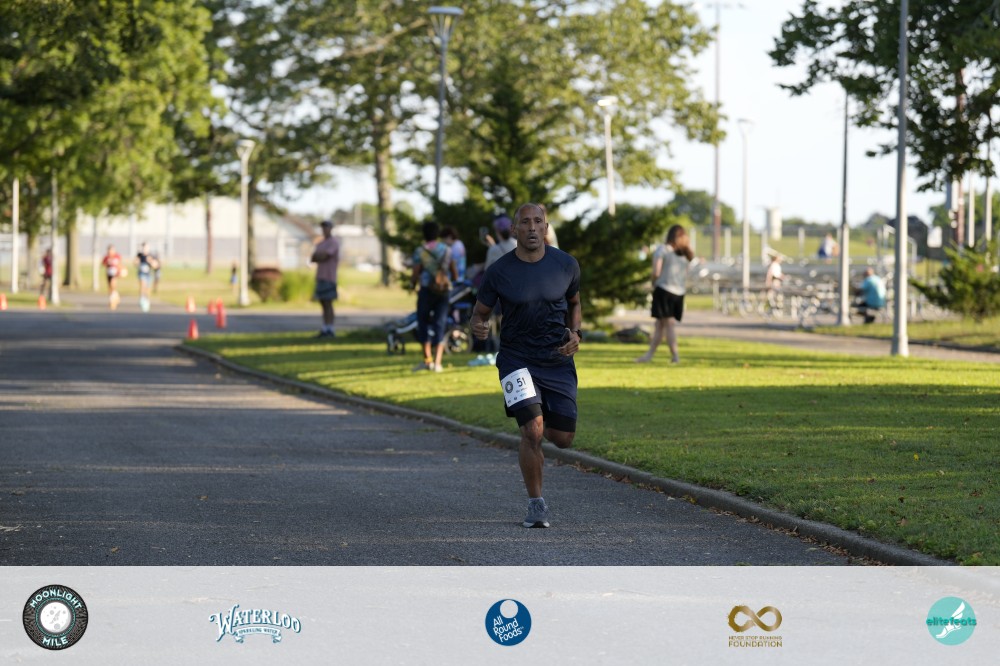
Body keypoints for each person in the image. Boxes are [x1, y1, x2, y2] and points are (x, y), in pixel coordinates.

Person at [470, 203, 582, 529]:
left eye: (538, 222)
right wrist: (478, 327)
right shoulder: (499, 271)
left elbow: (575, 303)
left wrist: (576, 333)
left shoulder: (566, 264)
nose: (532, 227)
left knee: (562, 438)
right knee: (532, 431)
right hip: (515, 360)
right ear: (515, 229)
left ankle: (541, 412)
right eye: (525, 222)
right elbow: (479, 313)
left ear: (546, 227)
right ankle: (536, 504)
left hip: (556, 359)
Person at [636, 224, 694, 365]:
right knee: (659, 324)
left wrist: (653, 282)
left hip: (664, 290)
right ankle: (649, 355)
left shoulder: (663, 250)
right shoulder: (685, 253)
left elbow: (656, 271)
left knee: (669, 324)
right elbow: (685, 274)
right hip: (679, 292)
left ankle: (675, 356)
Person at [411, 220, 457, 372]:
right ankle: (438, 363)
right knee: (440, 323)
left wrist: (413, 284)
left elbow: (416, 272)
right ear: (437, 234)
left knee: (423, 323)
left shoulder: (420, 251)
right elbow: (454, 273)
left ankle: (427, 359)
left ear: (423, 234)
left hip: (426, 290)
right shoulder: (447, 250)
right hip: (443, 291)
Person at [310, 220, 341, 337]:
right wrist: (320, 256)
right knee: (323, 302)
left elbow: (325, 255)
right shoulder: (321, 243)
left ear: (330, 228)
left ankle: (331, 329)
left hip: (330, 277)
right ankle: (325, 327)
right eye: (323, 227)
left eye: (326, 227)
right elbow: (314, 258)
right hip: (320, 276)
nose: (324, 230)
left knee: (329, 303)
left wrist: (321, 255)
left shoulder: (334, 242)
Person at [135, 242, 159, 312]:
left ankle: (147, 301)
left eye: (146, 248)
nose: (145, 249)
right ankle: (142, 298)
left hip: (148, 274)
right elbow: (135, 263)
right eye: (144, 248)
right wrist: (137, 262)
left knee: (147, 289)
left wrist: (151, 261)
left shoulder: (150, 256)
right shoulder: (139, 255)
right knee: (142, 285)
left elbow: (156, 266)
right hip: (141, 273)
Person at [101, 244, 124, 310]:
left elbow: (120, 264)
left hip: (115, 273)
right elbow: (103, 264)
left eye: (112, 250)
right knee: (110, 288)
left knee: (113, 285)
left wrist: (120, 271)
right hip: (109, 273)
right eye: (109, 250)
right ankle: (115, 297)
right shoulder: (106, 257)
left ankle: (112, 301)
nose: (111, 251)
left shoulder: (117, 256)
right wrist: (107, 263)